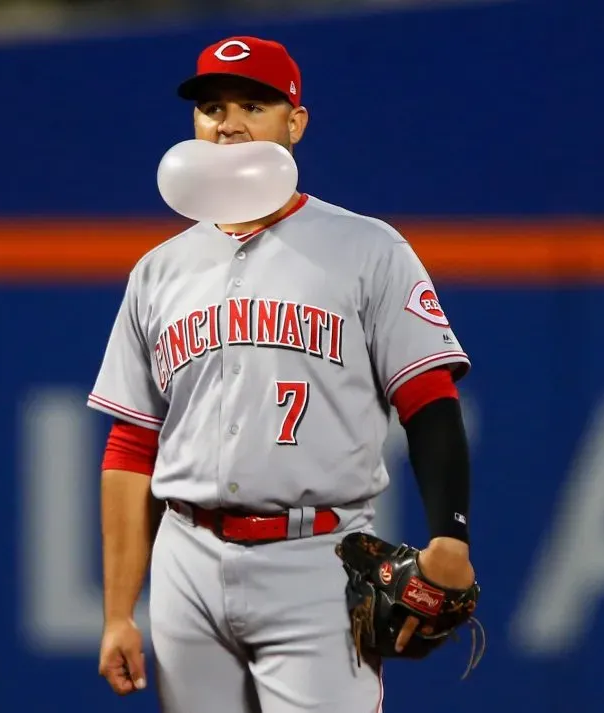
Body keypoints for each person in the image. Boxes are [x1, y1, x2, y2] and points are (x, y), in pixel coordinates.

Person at [86, 35, 477, 713]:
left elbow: (428, 398)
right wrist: (119, 610)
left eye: (253, 104)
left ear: (295, 122)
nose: (228, 121)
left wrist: (451, 531)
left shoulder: (365, 247)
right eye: (211, 106)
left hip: (317, 557)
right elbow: (131, 445)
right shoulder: (159, 270)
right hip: (187, 557)